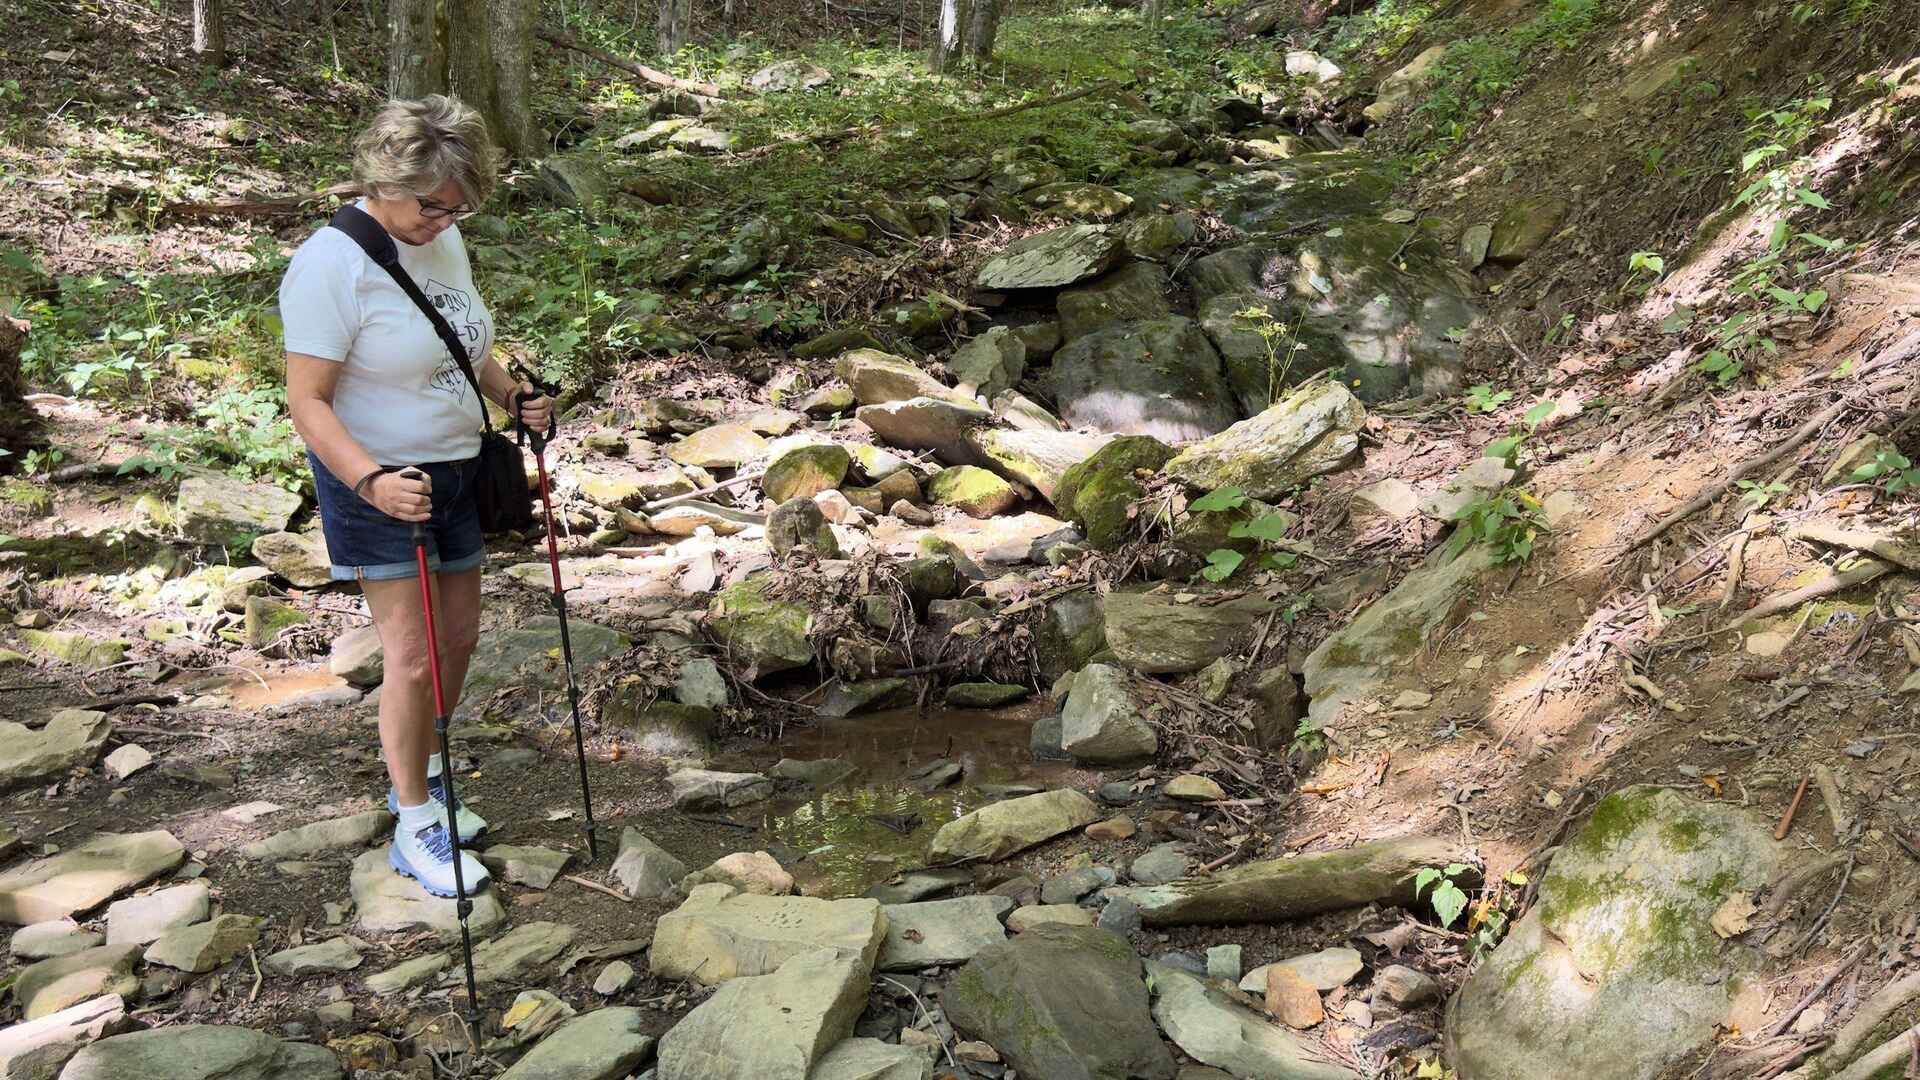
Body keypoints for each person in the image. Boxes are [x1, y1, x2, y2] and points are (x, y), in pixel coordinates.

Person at [280, 96, 549, 898]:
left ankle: (428, 777)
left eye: (459, 206)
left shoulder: (445, 238)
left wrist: (512, 396)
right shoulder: (329, 265)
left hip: (457, 467)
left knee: (459, 638)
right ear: (385, 178)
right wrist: (368, 479)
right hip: (381, 481)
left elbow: (465, 343)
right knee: (409, 655)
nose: (446, 220)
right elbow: (309, 403)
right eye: (433, 205)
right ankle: (412, 821)